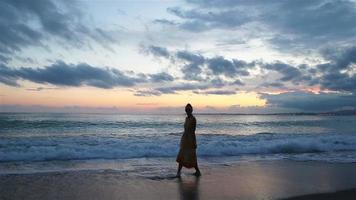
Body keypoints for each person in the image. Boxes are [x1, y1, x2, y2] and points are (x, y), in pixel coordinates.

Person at [176, 103, 201, 177]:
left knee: (192, 157)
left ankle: (198, 171)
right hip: (185, 139)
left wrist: (193, 142)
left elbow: (193, 131)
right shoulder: (186, 118)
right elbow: (185, 130)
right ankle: (178, 172)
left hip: (190, 140)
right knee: (182, 156)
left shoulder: (193, 119)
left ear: (191, 110)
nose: (188, 111)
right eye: (186, 110)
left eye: (189, 110)